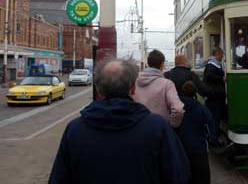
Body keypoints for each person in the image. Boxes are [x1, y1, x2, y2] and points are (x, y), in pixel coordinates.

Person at [49, 59, 190, 184]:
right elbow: (178, 176)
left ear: (98, 90)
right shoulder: (158, 127)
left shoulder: (74, 130)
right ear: (133, 88)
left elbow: (59, 178)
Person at [134, 49, 184, 128]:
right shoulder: (167, 84)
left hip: (138, 127)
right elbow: (178, 109)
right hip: (160, 129)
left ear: (148, 63)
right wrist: (172, 125)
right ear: (162, 64)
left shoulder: (134, 82)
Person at [177, 81, 214, 184]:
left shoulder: (175, 108)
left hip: (181, 149)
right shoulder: (202, 109)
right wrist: (210, 140)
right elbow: (210, 129)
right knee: (202, 177)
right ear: (195, 93)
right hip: (199, 149)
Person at [203, 47, 226, 145]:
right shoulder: (212, 64)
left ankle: (213, 137)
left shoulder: (213, 64)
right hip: (215, 96)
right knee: (214, 118)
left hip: (215, 96)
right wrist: (222, 78)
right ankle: (214, 140)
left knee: (215, 117)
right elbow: (208, 76)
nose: (222, 57)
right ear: (217, 54)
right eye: (221, 55)